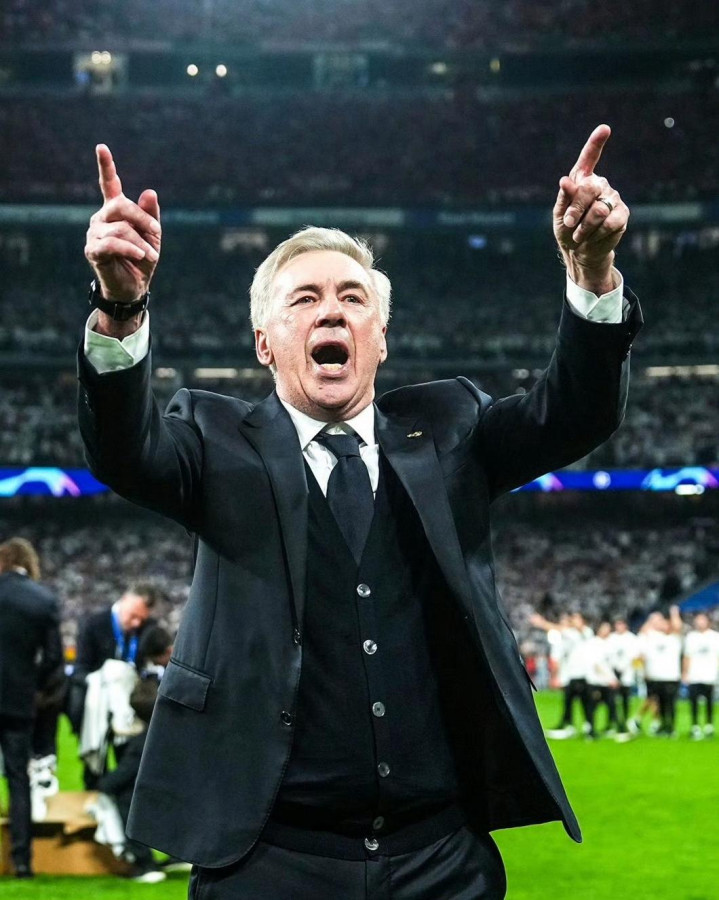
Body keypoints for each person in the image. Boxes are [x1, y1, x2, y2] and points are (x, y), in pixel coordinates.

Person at [78, 126, 641, 899]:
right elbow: (122, 450)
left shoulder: (452, 426)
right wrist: (120, 306)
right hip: (268, 859)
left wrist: (591, 271)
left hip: (439, 855)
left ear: (380, 338)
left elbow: (575, 413)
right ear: (264, 342)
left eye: (352, 298)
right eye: (304, 299)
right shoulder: (212, 438)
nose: (331, 313)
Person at [0, 537, 63, 878]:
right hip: (18, 701)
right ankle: (22, 861)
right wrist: (31, 684)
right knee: (18, 779)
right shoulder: (43, 600)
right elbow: (53, 658)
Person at [70, 583, 159, 786]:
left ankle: (116, 798)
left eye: (141, 619)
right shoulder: (93, 624)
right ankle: (95, 797)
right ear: (124, 600)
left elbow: (152, 669)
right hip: (97, 711)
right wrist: (104, 680)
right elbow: (80, 670)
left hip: (131, 712)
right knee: (94, 768)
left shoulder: (149, 628)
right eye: (133, 616)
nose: (136, 623)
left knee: (129, 768)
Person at [96, 678, 166, 883]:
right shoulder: (164, 732)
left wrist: (102, 786)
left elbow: (125, 773)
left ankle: (145, 864)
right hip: (178, 793)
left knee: (126, 800)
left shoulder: (142, 741)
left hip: (155, 798)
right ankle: (175, 858)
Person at [531, 611, 594, 739]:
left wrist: (541, 623)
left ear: (583, 621)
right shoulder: (573, 634)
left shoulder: (587, 633)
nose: (573, 621)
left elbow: (558, 628)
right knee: (569, 701)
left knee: (585, 702)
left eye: (576, 618)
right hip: (573, 675)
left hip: (584, 675)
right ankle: (569, 724)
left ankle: (588, 727)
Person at [638, 608, 683, 737]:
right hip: (655, 676)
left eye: (665, 623)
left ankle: (671, 727)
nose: (663, 625)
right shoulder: (653, 637)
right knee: (659, 703)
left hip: (671, 677)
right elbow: (643, 632)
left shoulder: (674, 639)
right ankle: (662, 726)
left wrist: (674, 613)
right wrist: (652, 618)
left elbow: (678, 627)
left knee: (670, 703)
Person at [682, 612, 719, 739]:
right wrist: (685, 673)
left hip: (710, 675)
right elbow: (687, 656)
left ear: (708, 621)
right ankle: (695, 726)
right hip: (694, 675)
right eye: (698, 620)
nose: (700, 622)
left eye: (702, 620)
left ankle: (709, 726)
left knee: (710, 701)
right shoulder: (691, 637)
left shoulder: (715, 636)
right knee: (693, 701)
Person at [607, 616, 640, 734]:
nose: (619, 626)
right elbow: (608, 655)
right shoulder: (611, 638)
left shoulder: (632, 638)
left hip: (627, 673)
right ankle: (613, 722)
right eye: (617, 624)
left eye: (621, 624)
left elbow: (635, 657)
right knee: (611, 699)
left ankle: (625, 721)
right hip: (613, 673)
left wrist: (628, 669)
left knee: (625, 699)